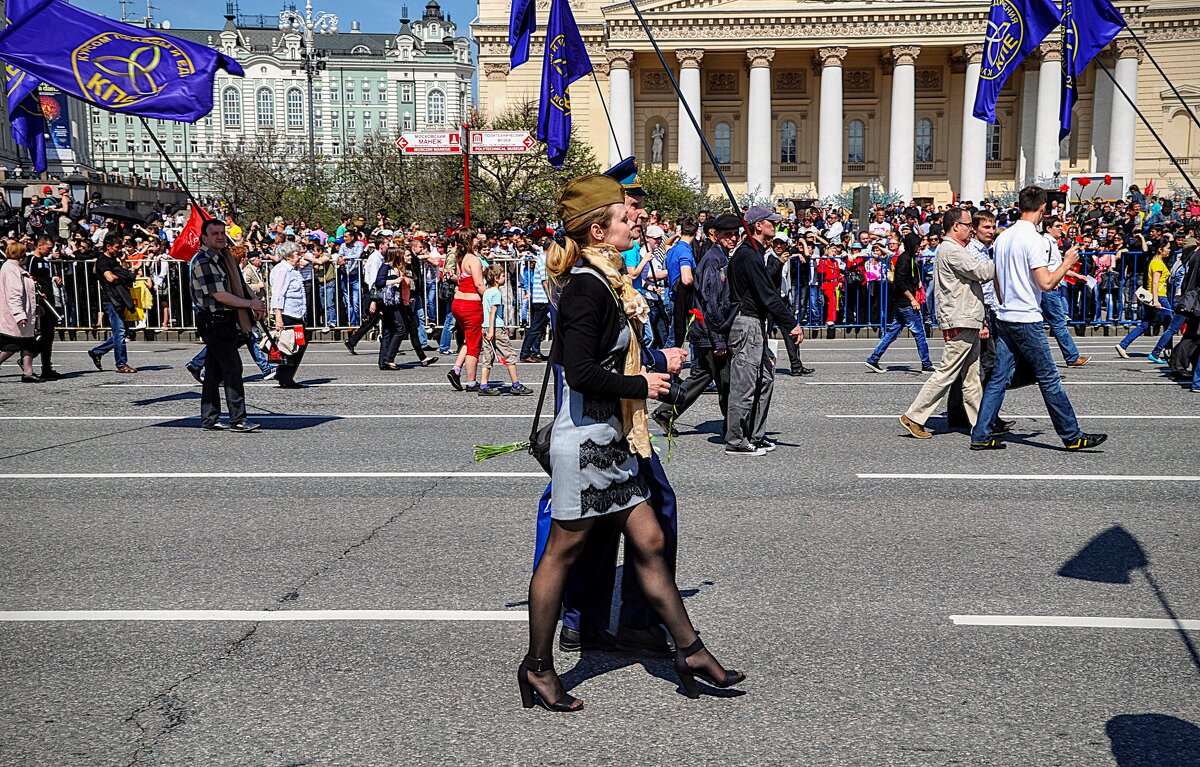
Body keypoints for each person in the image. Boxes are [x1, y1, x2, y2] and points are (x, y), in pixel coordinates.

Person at [520, 174, 742, 712]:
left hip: (613, 442)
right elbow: (578, 370)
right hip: (587, 445)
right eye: (624, 217)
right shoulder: (586, 287)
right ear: (599, 230)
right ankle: (538, 666)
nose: (634, 220)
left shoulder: (608, 280)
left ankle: (689, 650)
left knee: (649, 541)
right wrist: (642, 383)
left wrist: (647, 365)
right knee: (561, 552)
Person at [971, 187, 1107, 451]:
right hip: (1026, 317)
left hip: (1005, 314)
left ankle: (981, 433)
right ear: (1043, 208)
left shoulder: (1003, 238)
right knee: (1049, 377)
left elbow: (997, 280)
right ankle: (1071, 435)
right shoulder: (1033, 239)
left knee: (1000, 377)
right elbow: (1045, 283)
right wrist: (1067, 262)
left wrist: (1004, 303)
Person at [897, 208, 995, 440]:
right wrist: (1005, 257)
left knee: (971, 377)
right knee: (947, 372)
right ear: (956, 226)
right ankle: (914, 415)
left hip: (966, 317)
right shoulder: (952, 249)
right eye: (968, 224)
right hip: (960, 317)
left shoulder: (954, 248)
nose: (972, 228)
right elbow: (981, 271)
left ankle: (981, 425)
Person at [725, 205, 804, 456]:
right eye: (770, 222)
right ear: (758, 225)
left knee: (765, 379)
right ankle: (736, 439)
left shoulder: (756, 253)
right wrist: (791, 324)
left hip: (756, 323)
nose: (775, 225)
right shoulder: (748, 255)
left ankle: (755, 435)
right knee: (745, 384)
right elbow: (768, 295)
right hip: (746, 323)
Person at [650, 214, 740, 435]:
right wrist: (718, 339)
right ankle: (735, 428)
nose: (733, 238)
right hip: (709, 331)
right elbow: (711, 301)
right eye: (727, 235)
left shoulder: (720, 256)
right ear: (715, 235)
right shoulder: (713, 259)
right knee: (726, 379)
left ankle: (666, 412)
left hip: (706, 329)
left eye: (735, 234)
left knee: (702, 375)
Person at [189, 219, 264, 432]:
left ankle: (210, 418)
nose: (220, 237)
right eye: (215, 234)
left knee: (213, 371)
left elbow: (239, 285)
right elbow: (219, 294)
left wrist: (255, 302)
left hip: (226, 320)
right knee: (232, 368)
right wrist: (249, 303)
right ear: (204, 238)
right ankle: (238, 419)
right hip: (213, 320)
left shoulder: (224, 258)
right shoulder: (204, 261)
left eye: (222, 233)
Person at [866, 232, 933, 373]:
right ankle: (926, 363)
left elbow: (910, 276)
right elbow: (900, 282)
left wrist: (918, 281)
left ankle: (874, 359)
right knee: (919, 333)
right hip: (905, 303)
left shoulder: (911, 258)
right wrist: (913, 299)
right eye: (916, 245)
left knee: (892, 333)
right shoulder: (905, 259)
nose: (919, 248)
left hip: (902, 303)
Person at [1116, 241, 1180, 363]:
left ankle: (1123, 344)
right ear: (1160, 250)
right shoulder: (1157, 263)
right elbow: (1155, 282)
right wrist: (1156, 300)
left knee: (1145, 324)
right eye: (1167, 248)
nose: (1169, 250)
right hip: (1159, 296)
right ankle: (1163, 351)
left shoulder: (1155, 262)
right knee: (1169, 324)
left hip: (1152, 296)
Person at [1039, 217, 1090, 367]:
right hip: (1048, 288)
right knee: (1059, 323)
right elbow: (1042, 265)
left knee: (1043, 324)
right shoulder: (1046, 243)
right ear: (1049, 228)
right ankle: (1072, 356)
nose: (1061, 229)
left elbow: (1058, 267)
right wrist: (1049, 281)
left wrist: (1077, 275)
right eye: (1058, 226)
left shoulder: (1053, 244)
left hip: (1050, 286)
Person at [478, 264, 533, 395]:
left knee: (488, 357)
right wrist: (492, 330)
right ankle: (516, 384)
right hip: (495, 328)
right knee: (510, 355)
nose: (504, 278)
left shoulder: (486, 292)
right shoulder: (496, 293)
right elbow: (493, 312)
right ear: (496, 278)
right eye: (503, 276)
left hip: (485, 327)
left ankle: (483, 385)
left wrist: (487, 329)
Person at [765, 232, 813, 376]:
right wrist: (779, 262)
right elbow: (768, 275)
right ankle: (762, 365)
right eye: (776, 243)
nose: (778, 246)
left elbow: (806, 255)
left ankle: (796, 365)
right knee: (764, 334)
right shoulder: (769, 256)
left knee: (791, 332)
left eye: (782, 243)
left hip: (783, 301)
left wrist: (799, 251)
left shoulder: (788, 255)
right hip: (770, 301)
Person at [87, 234, 137, 374]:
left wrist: (123, 262)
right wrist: (123, 276)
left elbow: (124, 272)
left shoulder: (114, 260)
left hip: (118, 298)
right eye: (117, 247)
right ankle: (121, 364)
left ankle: (97, 352)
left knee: (121, 332)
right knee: (120, 332)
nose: (119, 249)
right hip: (111, 299)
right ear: (108, 246)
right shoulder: (103, 261)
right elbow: (110, 278)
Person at [447, 231, 487, 392]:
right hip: (471, 305)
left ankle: (456, 369)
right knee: (474, 344)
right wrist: (492, 296)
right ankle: (471, 382)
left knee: (470, 339)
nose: (479, 239)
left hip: (459, 303)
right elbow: (478, 284)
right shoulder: (474, 260)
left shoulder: (461, 258)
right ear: (471, 241)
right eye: (476, 237)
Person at [270, 242, 309, 389]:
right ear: (288, 256)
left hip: (296, 313)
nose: (299, 256)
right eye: (297, 254)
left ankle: (284, 374)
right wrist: (278, 317)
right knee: (290, 345)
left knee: (300, 343)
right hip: (288, 313)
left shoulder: (293, 270)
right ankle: (285, 377)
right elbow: (278, 294)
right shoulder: (282, 270)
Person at [0, 242, 41, 382]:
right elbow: (14, 293)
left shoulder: (16, 268)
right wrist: (19, 315)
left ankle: (28, 373)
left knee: (28, 343)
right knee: (12, 345)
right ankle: (28, 372)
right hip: (16, 314)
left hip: (23, 312)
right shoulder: (11, 269)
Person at [26, 236, 62, 379]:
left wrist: (54, 279)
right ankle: (29, 357)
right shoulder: (31, 260)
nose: (50, 251)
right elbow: (29, 280)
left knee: (49, 335)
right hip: (40, 303)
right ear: (40, 245)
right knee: (42, 336)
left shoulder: (45, 262)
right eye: (48, 248)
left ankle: (46, 367)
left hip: (49, 301)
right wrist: (36, 303)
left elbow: (43, 280)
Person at [520, 239, 550, 362]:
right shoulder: (543, 259)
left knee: (540, 327)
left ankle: (535, 352)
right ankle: (525, 353)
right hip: (542, 298)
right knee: (536, 327)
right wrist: (551, 296)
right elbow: (545, 281)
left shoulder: (543, 259)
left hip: (541, 297)